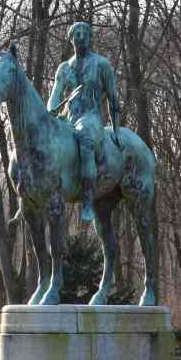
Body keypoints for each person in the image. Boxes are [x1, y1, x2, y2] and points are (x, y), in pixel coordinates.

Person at [47, 21, 121, 223]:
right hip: (69, 119)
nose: (80, 36)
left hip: (91, 118)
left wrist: (116, 127)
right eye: (76, 33)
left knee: (86, 142)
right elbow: (54, 97)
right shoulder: (64, 69)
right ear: (71, 38)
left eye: (84, 33)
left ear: (90, 37)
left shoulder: (101, 64)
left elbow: (113, 97)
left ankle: (87, 202)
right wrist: (50, 113)